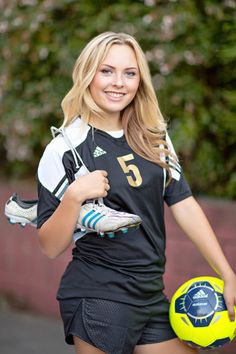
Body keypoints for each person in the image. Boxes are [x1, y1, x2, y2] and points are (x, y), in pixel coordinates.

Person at [6, 32, 236, 354]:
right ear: (88, 74)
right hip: (99, 295)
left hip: (150, 294)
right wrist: (73, 197)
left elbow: (183, 203)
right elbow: (50, 245)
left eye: (130, 73)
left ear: (140, 80)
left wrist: (226, 273)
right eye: (106, 71)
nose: (119, 82)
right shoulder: (65, 148)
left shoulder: (153, 136)